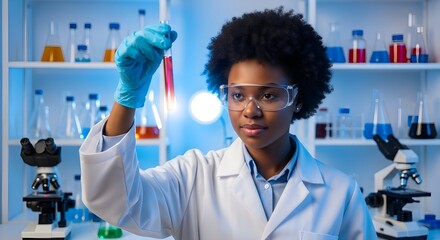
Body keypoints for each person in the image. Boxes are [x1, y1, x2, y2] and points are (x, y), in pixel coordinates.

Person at [80, 7, 377, 240]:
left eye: (269, 94)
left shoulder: (341, 193)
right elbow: (118, 203)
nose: (250, 110)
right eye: (237, 95)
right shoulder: (193, 178)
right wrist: (128, 98)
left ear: (298, 98)